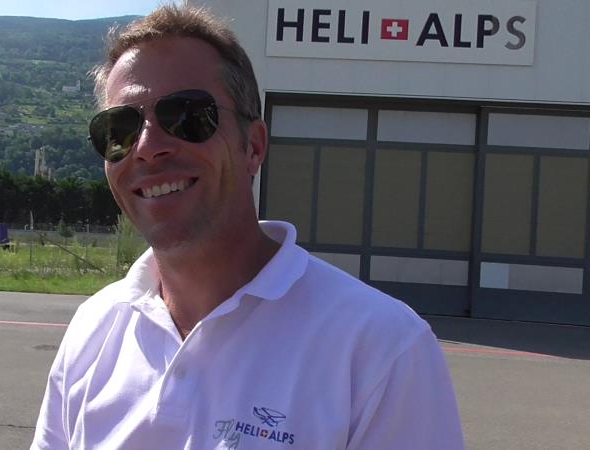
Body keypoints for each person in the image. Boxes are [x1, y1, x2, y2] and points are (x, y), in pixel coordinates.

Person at [31, 5, 464, 450]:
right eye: (118, 129)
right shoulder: (94, 329)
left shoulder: (381, 350)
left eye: (186, 115)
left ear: (253, 147)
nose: (147, 146)